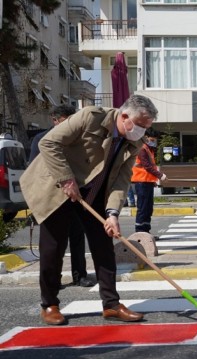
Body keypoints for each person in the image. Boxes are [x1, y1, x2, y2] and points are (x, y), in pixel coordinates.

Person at [21, 94, 158, 326]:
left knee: (104, 245)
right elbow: (48, 143)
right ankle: (50, 304)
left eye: (147, 127)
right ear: (124, 117)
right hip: (59, 189)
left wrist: (113, 213)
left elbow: (121, 182)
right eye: (141, 125)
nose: (143, 132)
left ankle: (111, 305)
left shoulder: (133, 142)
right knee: (53, 248)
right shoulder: (90, 117)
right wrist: (66, 179)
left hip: (94, 195)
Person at [29, 104, 95, 288]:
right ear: (55, 120)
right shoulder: (41, 139)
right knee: (53, 244)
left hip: (75, 195)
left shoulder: (76, 139)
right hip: (52, 197)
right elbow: (34, 171)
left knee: (77, 236)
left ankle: (80, 275)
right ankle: (53, 280)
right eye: (66, 121)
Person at [131, 128, 167, 233]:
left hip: (147, 182)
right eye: (152, 139)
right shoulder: (142, 149)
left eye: (155, 140)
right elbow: (147, 167)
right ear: (145, 137)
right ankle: (140, 231)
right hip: (141, 182)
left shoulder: (148, 149)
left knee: (148, 209)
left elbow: (150, 167)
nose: (154, 141)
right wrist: (160, 175)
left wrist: (153, 181)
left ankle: (146, 232)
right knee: (143, 208)